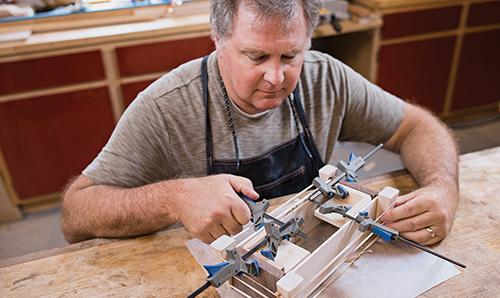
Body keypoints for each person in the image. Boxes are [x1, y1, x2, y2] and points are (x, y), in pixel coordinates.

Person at [62, 0, 459, 247]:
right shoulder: (166, 108)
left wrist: (442, 187)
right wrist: (174, 198)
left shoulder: (326, 78)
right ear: (217, 39)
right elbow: (76, 214)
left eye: (290, 56)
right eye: (255, 57)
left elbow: (416, 126)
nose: (275, 77)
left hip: (308, 254)